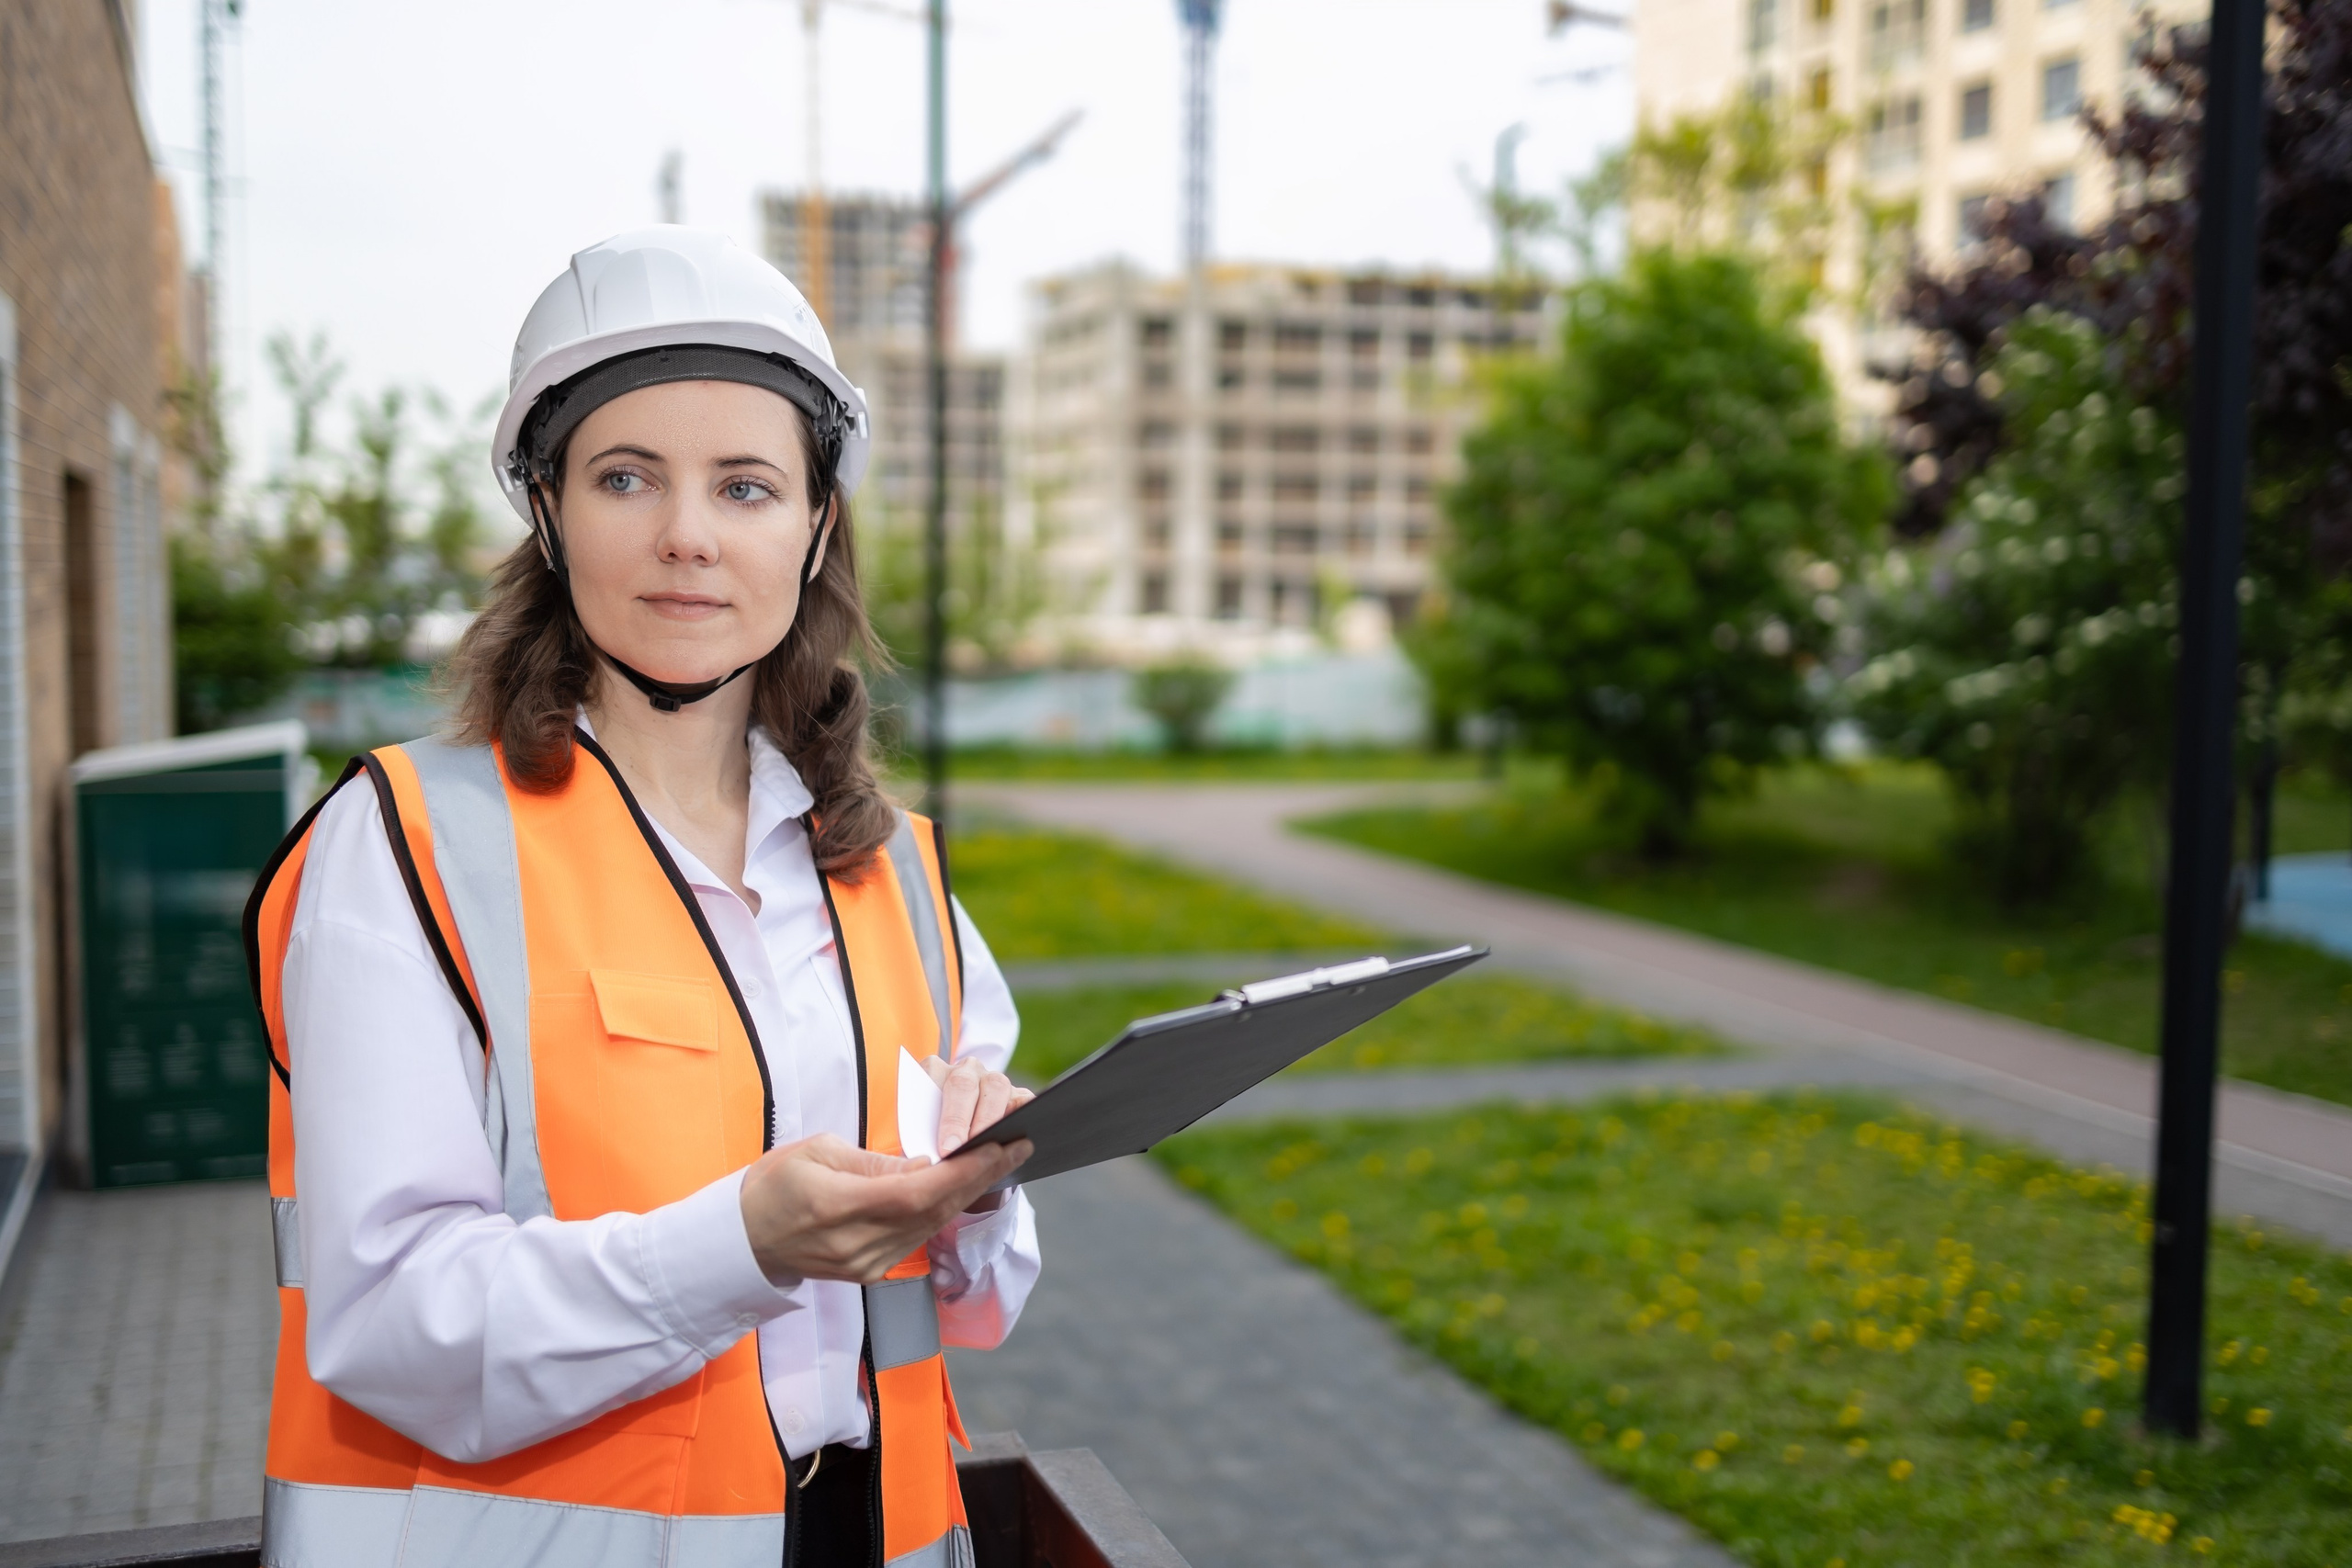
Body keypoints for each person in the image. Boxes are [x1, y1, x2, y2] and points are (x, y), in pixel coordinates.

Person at [245, 228, 1036, 1568]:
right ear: (550, 514)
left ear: (813, 524)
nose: (686, 538)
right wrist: (744, 1242)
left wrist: (980, 1200)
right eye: (627, 478)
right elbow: (389, 1325)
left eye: (744, 486)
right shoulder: (406, 848)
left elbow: (981, 1305)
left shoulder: (894, 869)